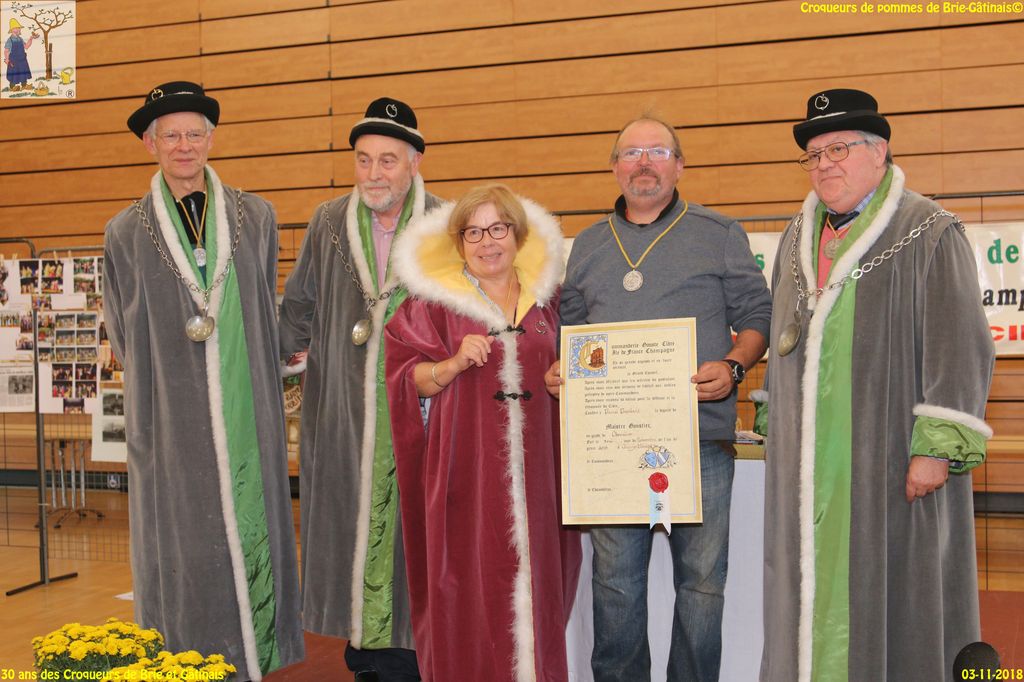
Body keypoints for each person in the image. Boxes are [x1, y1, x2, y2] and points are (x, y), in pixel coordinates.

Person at [758, 88, 995, 682]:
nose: (824, 165)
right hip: (808, 470)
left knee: (896, 602)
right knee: (801, 600)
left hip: (889, 466)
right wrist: (775, 419)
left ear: (880, 150)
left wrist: (935, 447)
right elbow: (784, 338)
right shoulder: (796, 237)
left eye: (839, 149)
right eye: (814, 155)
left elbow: (961, 346)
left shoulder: (929, 231)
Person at [545, 116, 772, 681]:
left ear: (679, 165)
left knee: (702, 585)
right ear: (614, 167)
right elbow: (572, 332)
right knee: (615, 585)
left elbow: (757, 317)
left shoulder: (719, 233)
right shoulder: (588, 244)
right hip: (612, 446)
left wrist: (733, 366)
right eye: (631, 153)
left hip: (699, 439)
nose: (643, 163)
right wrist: (563, 371)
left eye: (657, 152)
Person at [103, 81, 304, 681]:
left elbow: (265, 305)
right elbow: (122, 331)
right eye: (171, 136)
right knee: (184, 542)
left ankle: (255, 651)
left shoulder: (255, 216)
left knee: (252, 525)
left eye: (194, 134)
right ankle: (183, 655)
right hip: (170, 416)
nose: (184, 145)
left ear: (211, 140)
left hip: (248, 406)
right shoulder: (125, 231)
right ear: (150, 144)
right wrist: (167, 391)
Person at [384, 184, 582, 682]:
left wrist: (566, 377)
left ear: (517, 235)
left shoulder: (551, 302)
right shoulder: (431, 305)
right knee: (467, 588)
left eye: (497, 229)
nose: (486, 242)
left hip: (542, 476)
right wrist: (450, 364)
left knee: (540, 587)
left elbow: (584, 362)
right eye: (472, 233)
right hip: (464, 476)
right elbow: (405, 378)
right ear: (459, 242)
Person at [278, 97, 442, 681]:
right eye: (364, 160)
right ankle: (363, 653)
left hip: (422, 405)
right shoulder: (328, 221)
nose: (374, 174)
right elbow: (299, 303)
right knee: (349, 528)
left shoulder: (446, 223)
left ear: (415, 163)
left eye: (388, 161)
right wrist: (279, 359)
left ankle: (416, 650)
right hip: (342, 410)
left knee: (412, 534)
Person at [4, 18, 37, 92]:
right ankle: (12, 87)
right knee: (14, 73)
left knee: (23, 72)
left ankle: (24, 85)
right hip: (14, 61)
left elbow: (26, 46)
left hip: (22, 60)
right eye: (17, 28)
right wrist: (7, 59)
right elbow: (6, 51)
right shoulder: (10, 40)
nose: (19, 29)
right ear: (12, 30)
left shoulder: (20, 39)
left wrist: (31, 39)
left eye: (19, 28)